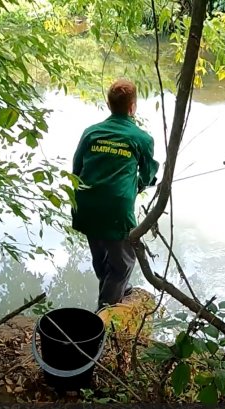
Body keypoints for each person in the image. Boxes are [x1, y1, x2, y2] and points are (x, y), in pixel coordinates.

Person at [71, 79, 159, 310]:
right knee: (123, 264)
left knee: (101, 256)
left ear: (108, 105)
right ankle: (104, 313)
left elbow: (76, 170)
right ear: (133, 107)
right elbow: (149, 174)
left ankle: (115, 290)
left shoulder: (91, 133)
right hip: (117, 209)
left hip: (86, 204)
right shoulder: (142, 138)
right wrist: (138, 185)